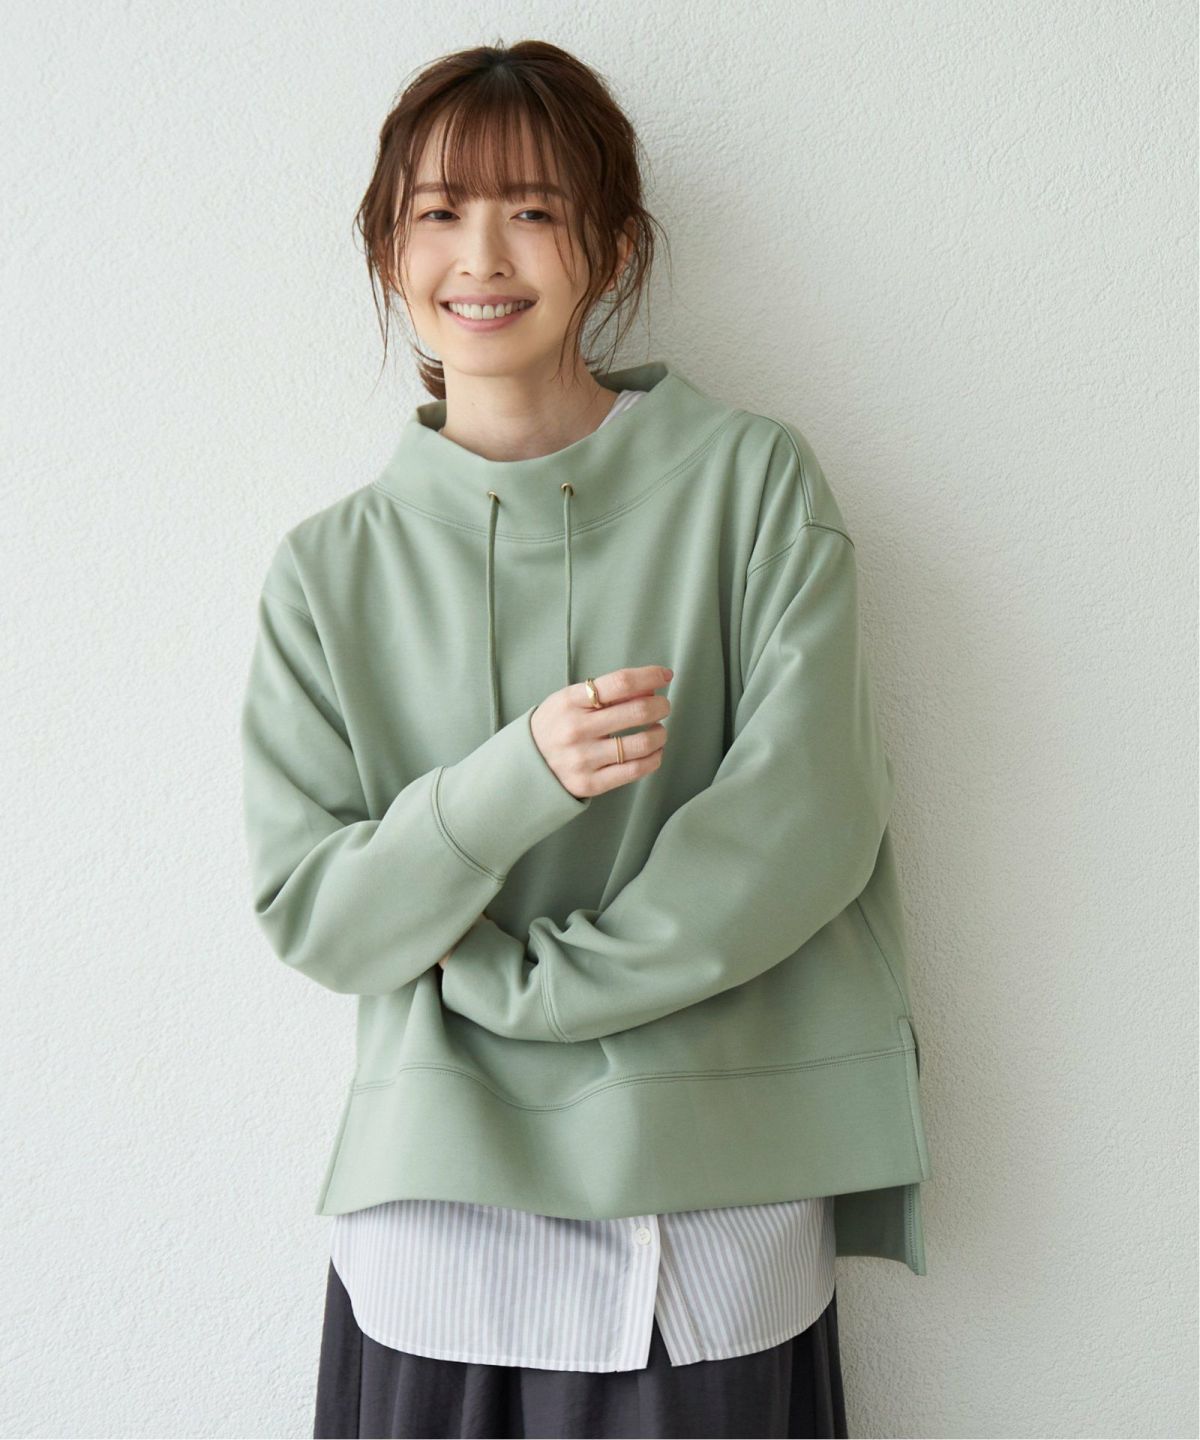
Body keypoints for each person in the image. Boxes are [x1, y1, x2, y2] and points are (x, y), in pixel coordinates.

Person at [239, 38, 932, 1440]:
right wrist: (518, 780)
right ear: (386, 250)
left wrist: (524, 985)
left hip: (716, 1210)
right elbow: (319, 913)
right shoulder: (328, 570)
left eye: (535, 210)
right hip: (443, 1234)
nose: (481, 255)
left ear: (613, 248)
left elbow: (804, 821)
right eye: (438, 211)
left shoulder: (750, 483)